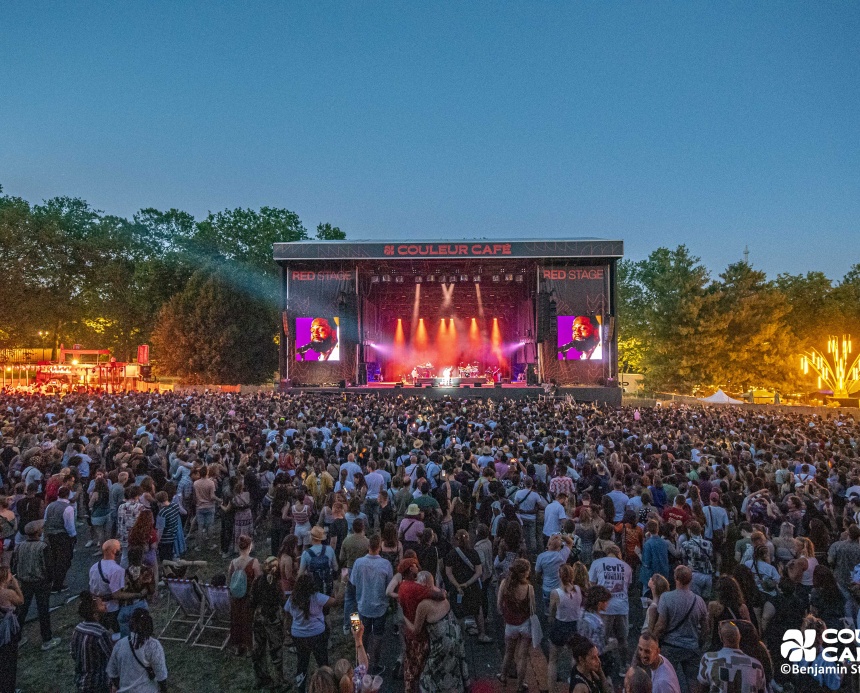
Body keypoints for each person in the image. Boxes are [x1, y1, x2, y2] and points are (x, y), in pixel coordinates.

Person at [404, 570, 469, 693]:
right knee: (452, 669)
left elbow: (416, 630)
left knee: (428, 675)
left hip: (442, 643)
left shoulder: (424, 604)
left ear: (423, 585)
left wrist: (404, 618)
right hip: (456, 636)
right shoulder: (441, 592)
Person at [285, 572, 345, 693]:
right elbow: (336, 602)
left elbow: (287, 615)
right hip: (317, 634)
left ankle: (301, 688)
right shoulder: (317, 597)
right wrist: (342, 583)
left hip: (299, 635)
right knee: (323, 662)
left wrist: (288, 630)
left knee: (302, 663)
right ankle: (328, 686)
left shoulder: (292, 598)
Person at [653, 566, 708, 693]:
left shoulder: (666, 598)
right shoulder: (699, 601)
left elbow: (661, 626)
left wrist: (653, 639)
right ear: (691, 580)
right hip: (691, 647)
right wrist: (699, 643)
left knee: (665, 678)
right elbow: (706, 629)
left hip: (670, 646)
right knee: (693, 682)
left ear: (675, 578)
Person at [12, 519, 60, 650]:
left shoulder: (20, 546)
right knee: (43, 610)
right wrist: (50, 580)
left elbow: (14, 564)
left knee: (21, 611)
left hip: (25, 582)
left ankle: (16, 638)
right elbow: (49, 566)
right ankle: (47, 639)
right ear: (39, 532)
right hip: (40, 582)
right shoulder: (43, 547)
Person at [350, 533, 394, 674]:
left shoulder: (358, 563)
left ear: (368, 546)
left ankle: (360, 662)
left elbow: (353, 583)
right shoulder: (386, 565)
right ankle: (374, 664)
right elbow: (390, 587)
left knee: (360, 635)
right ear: (379, 547)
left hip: (361, 605)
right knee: (378, 635)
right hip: (380, 607)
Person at [588, 545, 632, 667]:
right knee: (622, 639)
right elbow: (627, 586)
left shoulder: (597, 563)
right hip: (621, 606)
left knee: (601, 639)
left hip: (604, 606)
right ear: (618, 553)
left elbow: (592, 585)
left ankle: (598, 666)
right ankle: (624, 666)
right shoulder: (626, 566)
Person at [106, 608, 168, 693]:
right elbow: (161, 676)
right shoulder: (154, 645)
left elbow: (112, 673)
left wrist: (120, 687)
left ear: (131, 624)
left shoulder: (119, 644)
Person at [445, 529, 490, 643]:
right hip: (472, 586)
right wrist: (468, 583)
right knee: (477, 610)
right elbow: (478, 572)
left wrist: (457, 585)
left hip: (457, 587)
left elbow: (448, 572)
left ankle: (459, 638)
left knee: (458, 613)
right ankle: (482, 634)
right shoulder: (473, 553)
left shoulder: (451, 554)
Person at [497, 558, 535, 693]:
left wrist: (505, 616)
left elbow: (499, 605)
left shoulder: (504, 584)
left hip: (510, 624)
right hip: (525, 624)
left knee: (509, 652)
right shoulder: (529, 588)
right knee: (523, 656)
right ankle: (520, 685)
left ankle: (503, 675)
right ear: (525, 573)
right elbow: (532, 610)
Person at [697, 621, 766, 693]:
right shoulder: (757, 665)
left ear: (721, 638)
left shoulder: (709, 659)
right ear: (739, 637)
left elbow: (702, 688)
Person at [250, 556, 286, 690]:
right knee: (276, 650)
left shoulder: (257, 581)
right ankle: (279, 681)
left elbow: (251, 601)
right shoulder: (277, 584)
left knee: (258, 649)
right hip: (273, 619)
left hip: (258, 617)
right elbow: (282, 602)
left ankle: (261, 678)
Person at [547, 563, 583, 691]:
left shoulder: (555, 593)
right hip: (574, 626)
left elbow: (551, 613)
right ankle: (574, 686)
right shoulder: (578, 589)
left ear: (559, 575)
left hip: (560, 625)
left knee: (553, 660)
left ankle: (552, 689)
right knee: (574, 658)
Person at [70, 591, 113, 693]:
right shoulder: (101, 633)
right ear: (95, 614)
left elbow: (73, 653)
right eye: (102, 605)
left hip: (81, 681)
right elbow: (112, 656)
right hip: (98, 683)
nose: (105, 605)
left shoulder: (77, 628)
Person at [227, 534, 262, 655]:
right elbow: (259, 579)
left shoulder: (233, 562)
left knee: (236, 620)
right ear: (250, 546)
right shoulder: (254, 562)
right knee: (248, 621)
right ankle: (249, 647)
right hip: (248, 596)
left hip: (236, 597)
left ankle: (237, 646)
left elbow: (229, 579)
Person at [88, 539, 126, 635]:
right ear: (114, 551)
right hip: (113, 608)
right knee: (118, 633)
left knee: (101, 633)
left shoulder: (93, 567)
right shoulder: (117, 570)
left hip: (99, 607)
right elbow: (117, 594)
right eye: (119, 549)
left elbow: (91, 589)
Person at [43, 485, 77, 592]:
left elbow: (45, 520)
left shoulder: (50, 506)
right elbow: (69, 526)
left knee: (53, 558)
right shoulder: (68, 508)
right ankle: (58, 584)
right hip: (62, 536)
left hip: (50, 535)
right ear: (67, 495)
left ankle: (51, 580)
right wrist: (73, 536)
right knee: (63, 560)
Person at [0, 565, 23, 693]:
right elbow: (20, 601)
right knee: (10, 659)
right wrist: (16, 586)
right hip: (8, 630)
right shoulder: (7, 593)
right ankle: (9, 688)